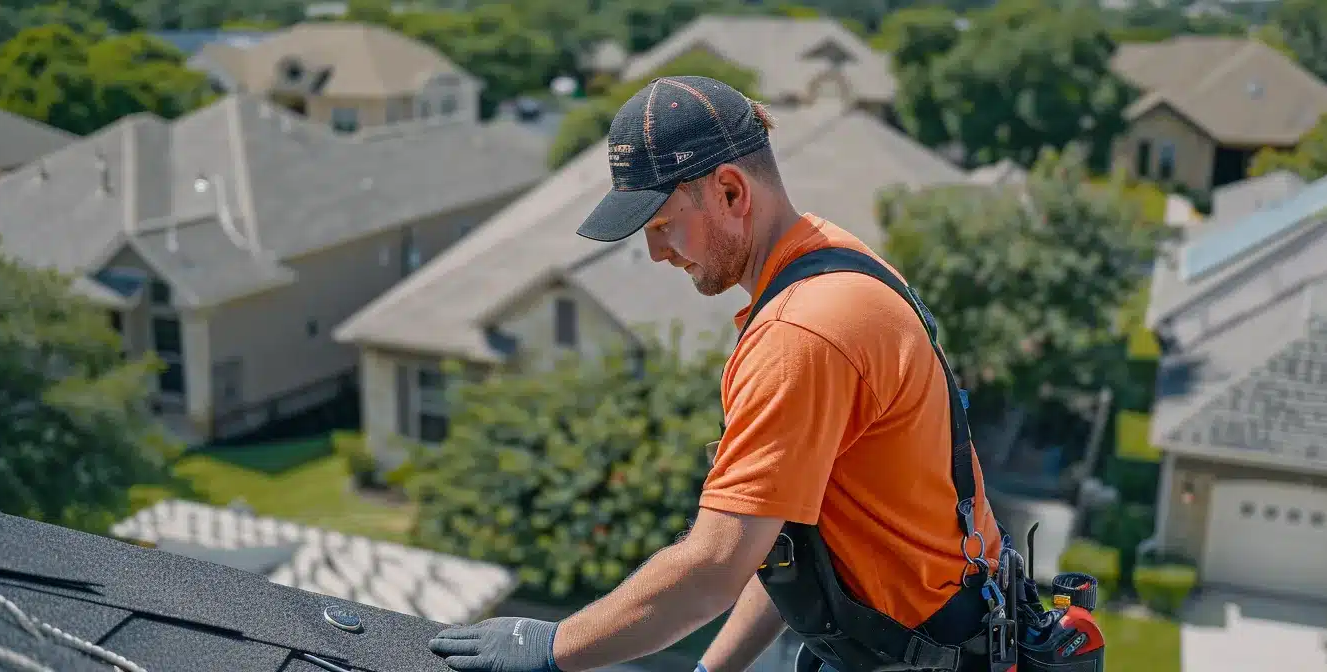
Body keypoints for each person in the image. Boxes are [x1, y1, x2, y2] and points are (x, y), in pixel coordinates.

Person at [428, 76, 1005, 672]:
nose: (656, 253)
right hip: (924, 641)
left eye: (661, 225)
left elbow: (715, 564)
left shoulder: (802, 333)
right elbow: (788, 540)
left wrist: (551, 648)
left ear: (730, 191)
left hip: (924, 655)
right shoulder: (837, 262)